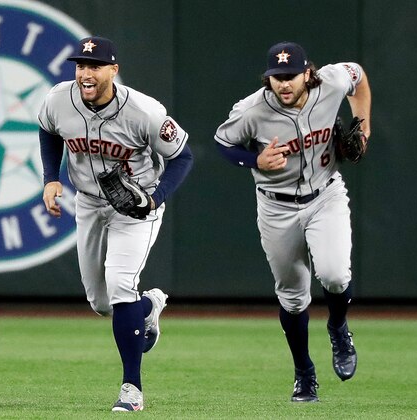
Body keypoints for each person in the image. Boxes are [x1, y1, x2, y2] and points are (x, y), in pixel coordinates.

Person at [38, 36, 193, 411]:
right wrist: (50, 176)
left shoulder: (144, 110)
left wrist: (156, 199)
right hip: (89, 203)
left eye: (94, 66)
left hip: (136, 207)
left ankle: (132, 389)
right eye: (80, 66)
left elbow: (182, 156)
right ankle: (148, 307)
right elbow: (48, 129)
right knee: (101, 301)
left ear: (113, 70)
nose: (85, 73)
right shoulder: (59, 98)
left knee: (121, 284)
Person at [214, 41, 371, 402]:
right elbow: (223, 143)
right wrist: (254, 161)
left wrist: (363, 130)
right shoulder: (252, 109)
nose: (283, 84)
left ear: (307, 73)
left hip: (325, 195)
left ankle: (338, 326)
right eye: (276, 77)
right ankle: (304, 372)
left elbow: (359, 78)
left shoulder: (331, 81)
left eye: (290, 76)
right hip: (276, 208)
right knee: (293, 298)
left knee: (335, 274)